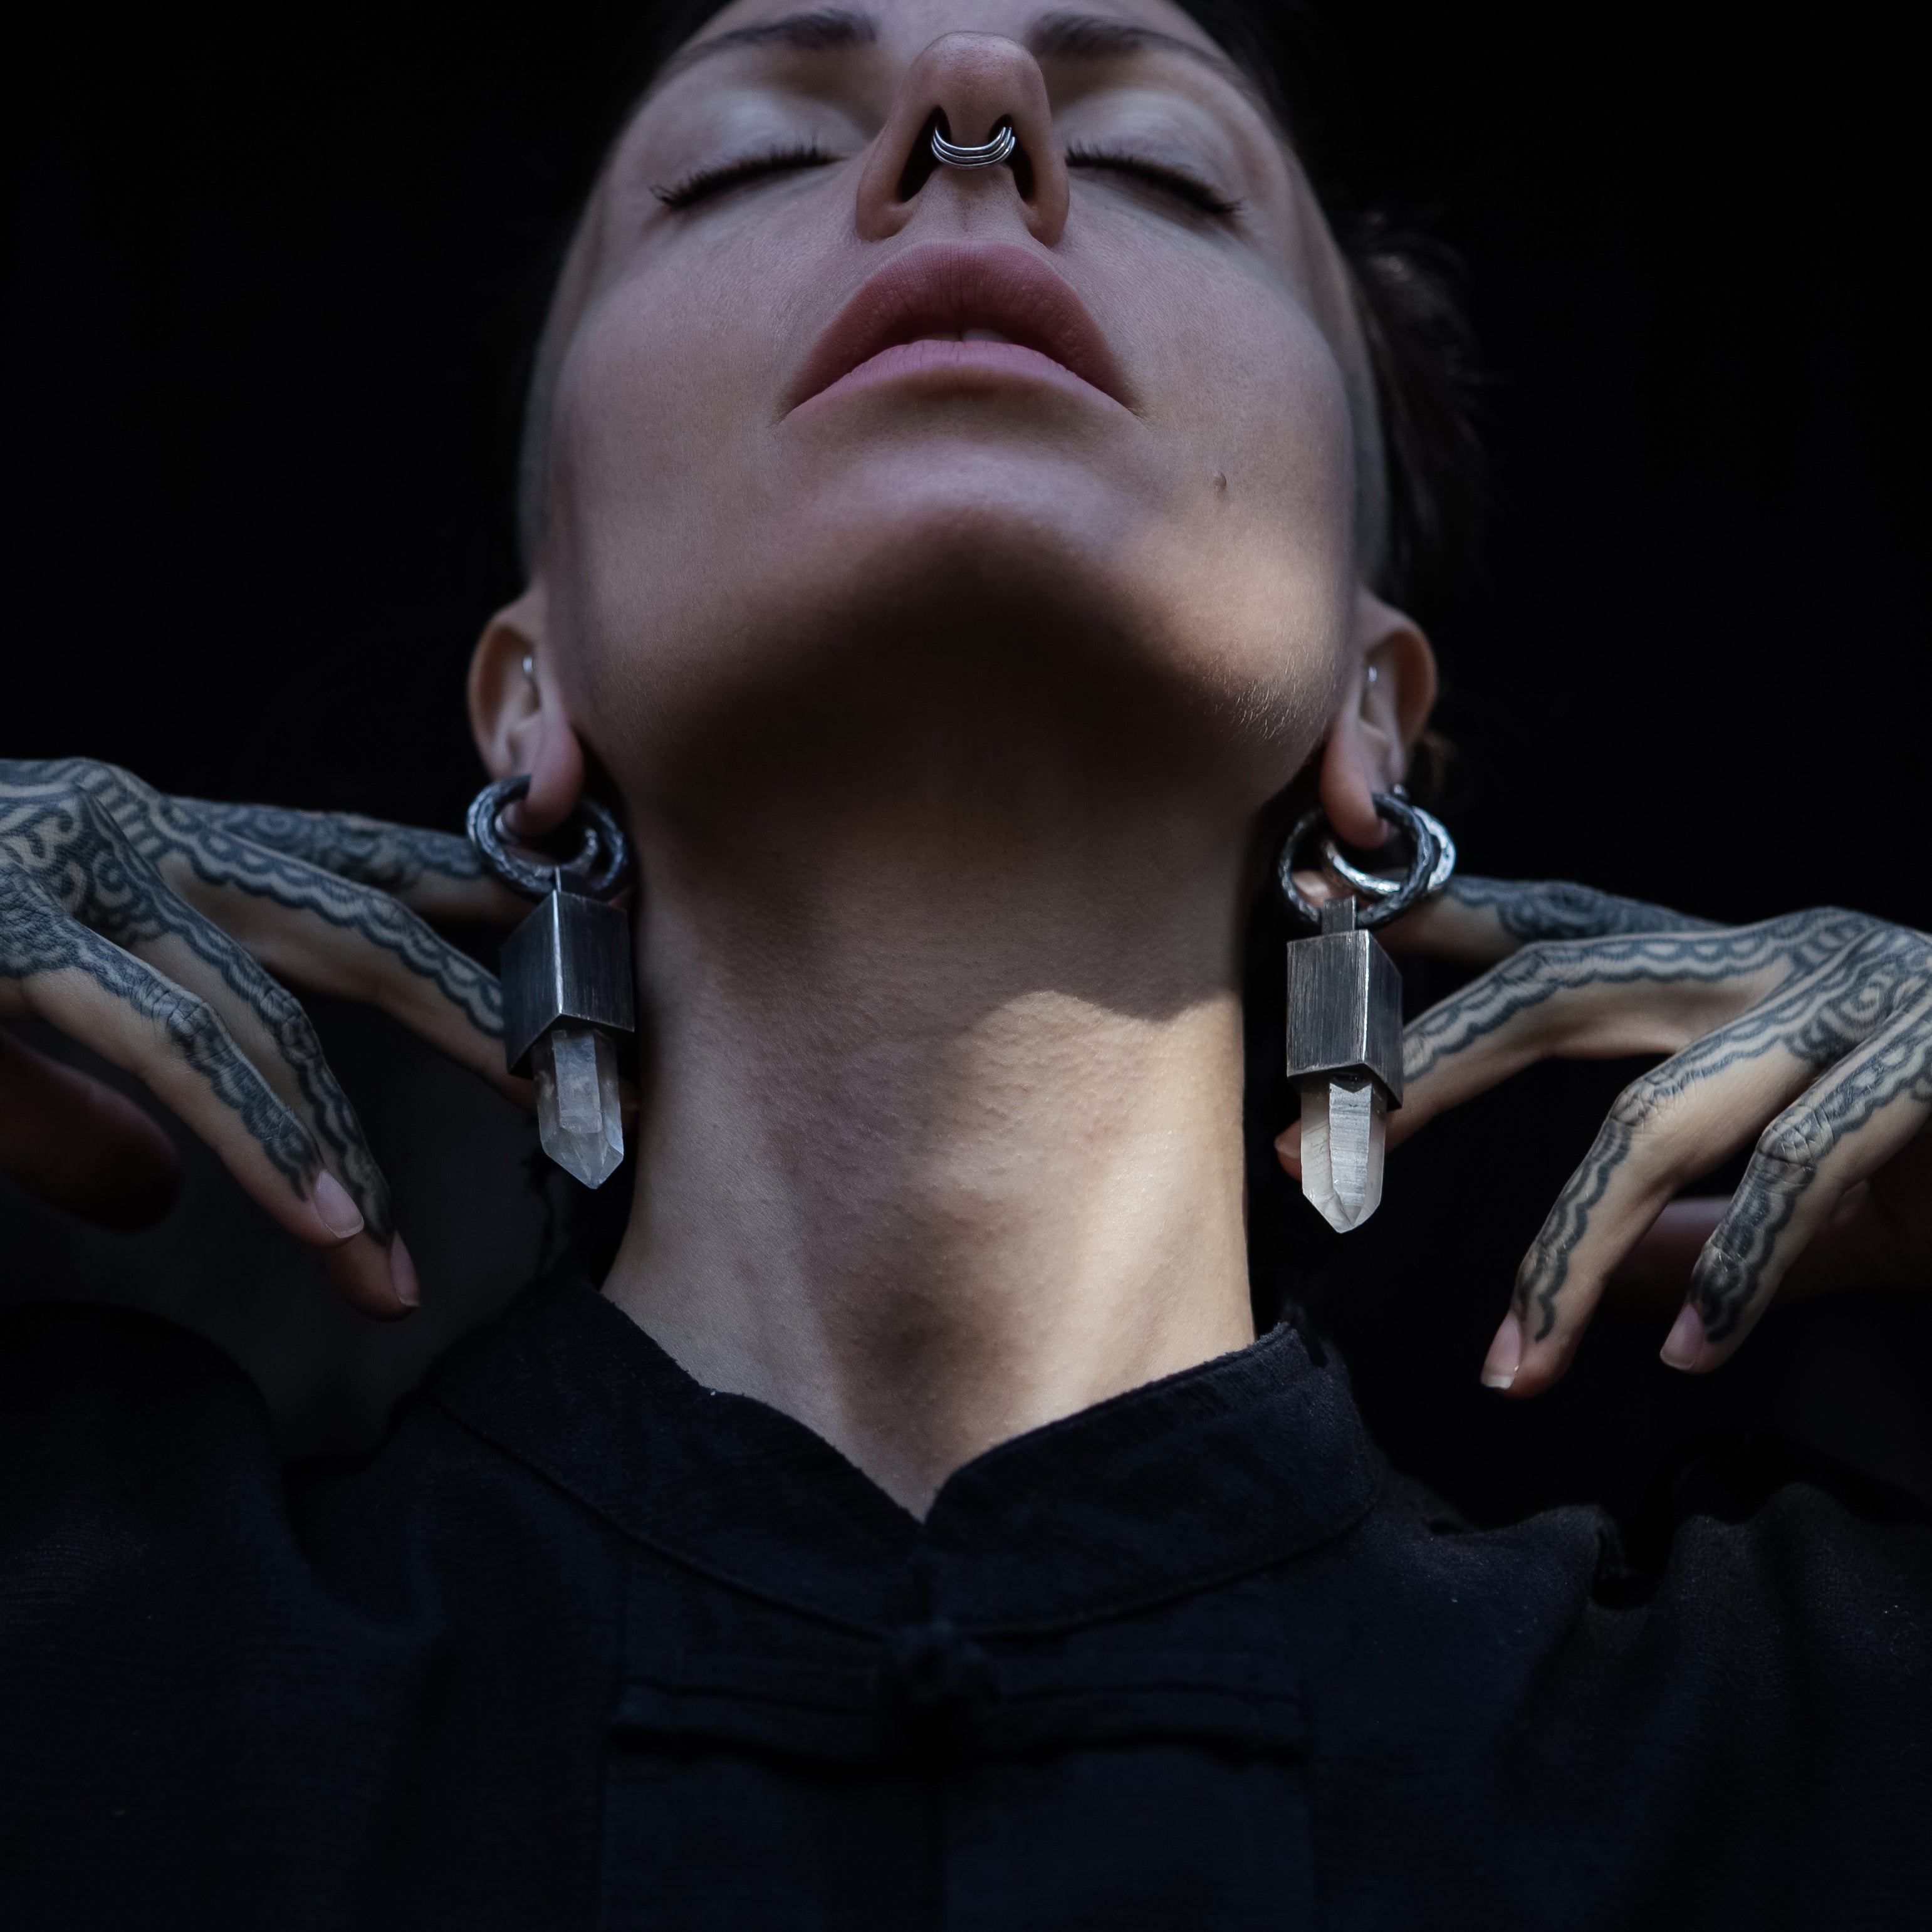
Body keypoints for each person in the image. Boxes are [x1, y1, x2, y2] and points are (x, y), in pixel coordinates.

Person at [1, 1, 1927, 1924]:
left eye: (1170, 170)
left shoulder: (1820, 1739)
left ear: (1371, 700)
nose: (971, 102)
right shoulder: (69, 1626)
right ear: (533, 690)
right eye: (747, 157)